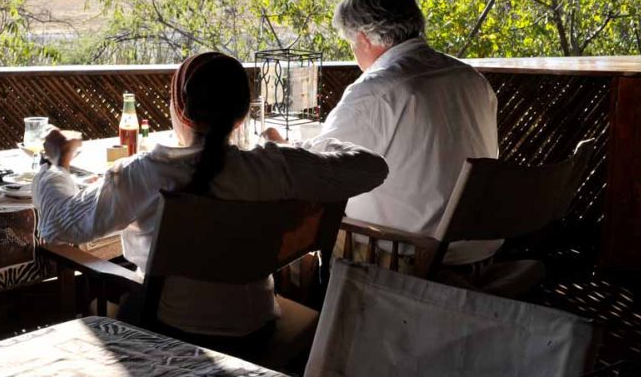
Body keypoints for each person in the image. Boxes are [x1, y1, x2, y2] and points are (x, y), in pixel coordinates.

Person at [33, 51, 388, 340]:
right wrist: (293, 150)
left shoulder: (148, 171)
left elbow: (60, 225)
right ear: (241, 115)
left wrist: (55, 163)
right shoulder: (273, 167)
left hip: (168, 333)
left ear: (180, 110)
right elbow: (371, 167)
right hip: (258, 328)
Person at [266, 0, 500, 272]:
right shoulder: (471, 79)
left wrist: (277, 146)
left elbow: (319, 170)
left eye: (351, 44)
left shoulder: (378, 89)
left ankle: (311, 314)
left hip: (406, 256)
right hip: (478, 254)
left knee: (288, 243)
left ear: (363, 38)